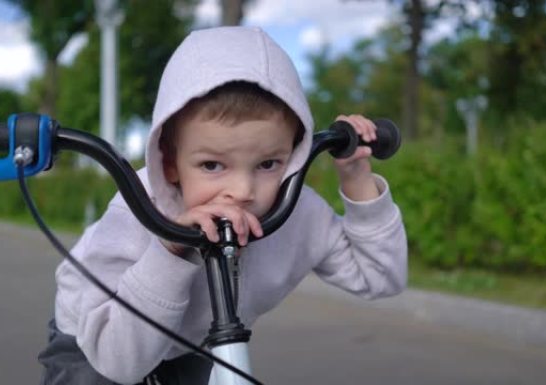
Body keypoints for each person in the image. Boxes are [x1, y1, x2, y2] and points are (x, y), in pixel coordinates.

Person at [38, 26, 407, 385]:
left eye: (268, 164)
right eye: (212, 165)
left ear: (294, 152)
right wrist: (170, 249)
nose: (242, 190)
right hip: (99, 339)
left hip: (193, 342)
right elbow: (118, 363)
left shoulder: (297, 213)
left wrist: (357, 178)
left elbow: (381, 277)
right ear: (169, 161)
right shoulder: (138, 207)